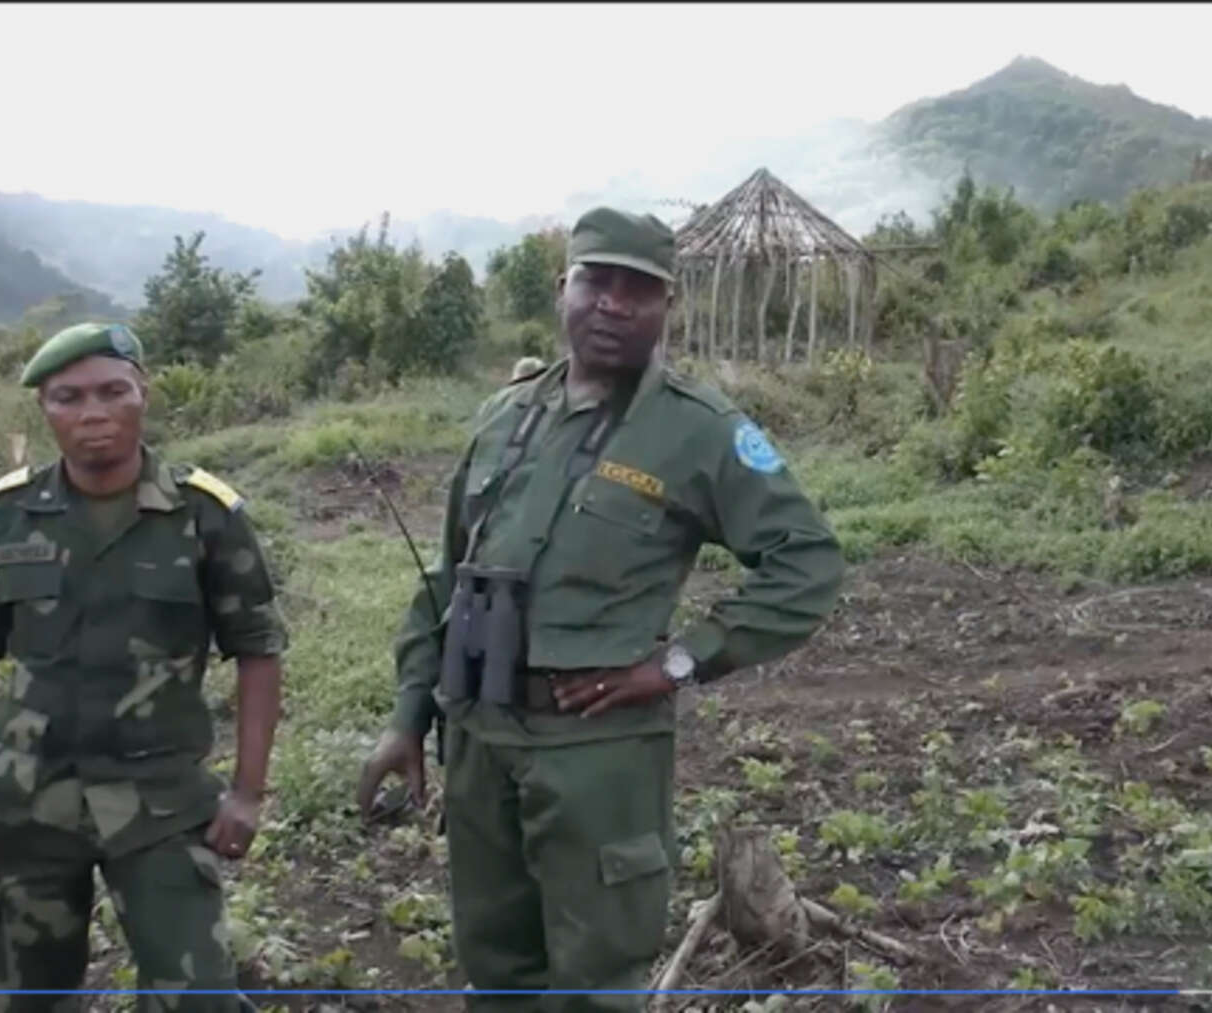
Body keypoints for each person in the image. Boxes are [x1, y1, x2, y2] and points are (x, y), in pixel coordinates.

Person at [356, 207, 845, 1011]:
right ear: (563, 288)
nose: (614, 303)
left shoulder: (698, 429)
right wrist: (409, 715)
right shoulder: (505, 415)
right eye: (596, 281)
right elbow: (448, 575)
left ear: (667, 304)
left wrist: (677, 662)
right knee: (497, 972)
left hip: (596, 754)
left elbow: (808, 563)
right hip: (478, 740)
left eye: (638, 289)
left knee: (595, 985)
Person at [0, 322, 288, 1013]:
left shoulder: (204, 515)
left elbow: (258, 652)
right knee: (27, 999)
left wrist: (247, 792)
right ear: (44, 409)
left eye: (112, 391)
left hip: (160, 803)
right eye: (69, 397)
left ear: (143, 394)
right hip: (24, 802)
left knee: (199, 998)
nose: (93, 412)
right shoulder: (6, 515)